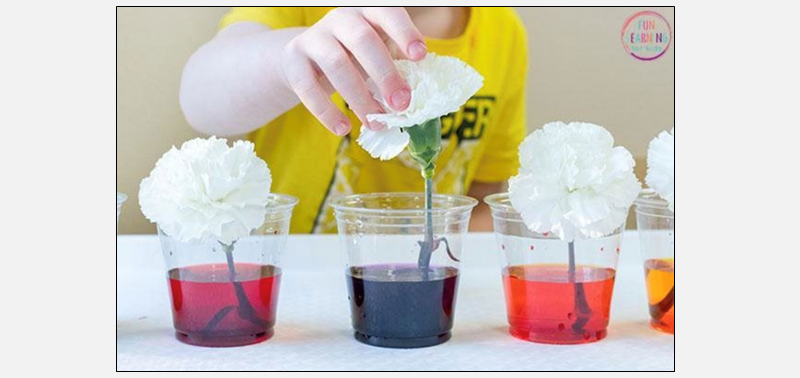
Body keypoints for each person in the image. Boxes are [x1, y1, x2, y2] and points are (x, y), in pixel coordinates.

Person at [180, 7, 528, 233]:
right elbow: (198, 98)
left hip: (424, 280)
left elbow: (483, 198)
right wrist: (290, 59)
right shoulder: (298, 11)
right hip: (292, 277)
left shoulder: (503, 31)